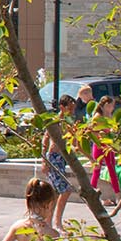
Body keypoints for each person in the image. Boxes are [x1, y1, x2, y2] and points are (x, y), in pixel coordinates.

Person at [42, 96, 79, 230]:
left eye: (73, 108)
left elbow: (74, 142)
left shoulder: (68, 122)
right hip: (53, 158)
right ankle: (56, 223)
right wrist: (44, 161)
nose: (72, 111)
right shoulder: (55, 122)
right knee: (66, 190)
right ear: (62, 107)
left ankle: (49, 222)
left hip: (61, 159)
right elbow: (45, 140)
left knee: (56, 192)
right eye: (70, 108)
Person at [89, 96, 121, 205]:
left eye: (112, 106)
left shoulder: (109, 116)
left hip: (108, 145)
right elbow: (92, 131)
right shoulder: (97, 117)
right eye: (109, 106)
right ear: (104, 105)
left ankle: (118, 195)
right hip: (99, 145)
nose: (111, 108)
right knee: (96, 169)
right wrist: (100, 136)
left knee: (112, 169)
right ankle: (91, 193)